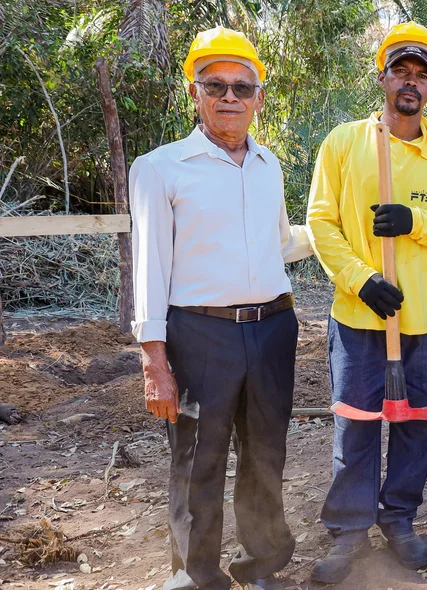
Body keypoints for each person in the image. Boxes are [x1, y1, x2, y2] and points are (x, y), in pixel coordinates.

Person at [130, 26, 312, 590]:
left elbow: (280, 243)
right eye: (216, 85)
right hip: (198, 334)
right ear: (195, 91)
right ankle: (197, 573)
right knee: (197, 459)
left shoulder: (270, 166)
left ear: (259, 95)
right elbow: (150, 267)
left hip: (272, 328)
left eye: (242, 86)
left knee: (265, 454)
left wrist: (340, 233)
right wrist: (153, 361)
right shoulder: (160, 168)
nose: (230, 96)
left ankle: (260, 567)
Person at [305, 22, 427, 584]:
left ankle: (398, 517)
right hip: (359, 316)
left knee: (419, 422)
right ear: (382, 78)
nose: (410, 82)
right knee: (356, 423)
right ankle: (350, 530)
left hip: (425, 317)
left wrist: (415, 222)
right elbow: (320, 221)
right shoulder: (344, 142)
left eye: (421, 75)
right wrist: (360, 280)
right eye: (400, 71)